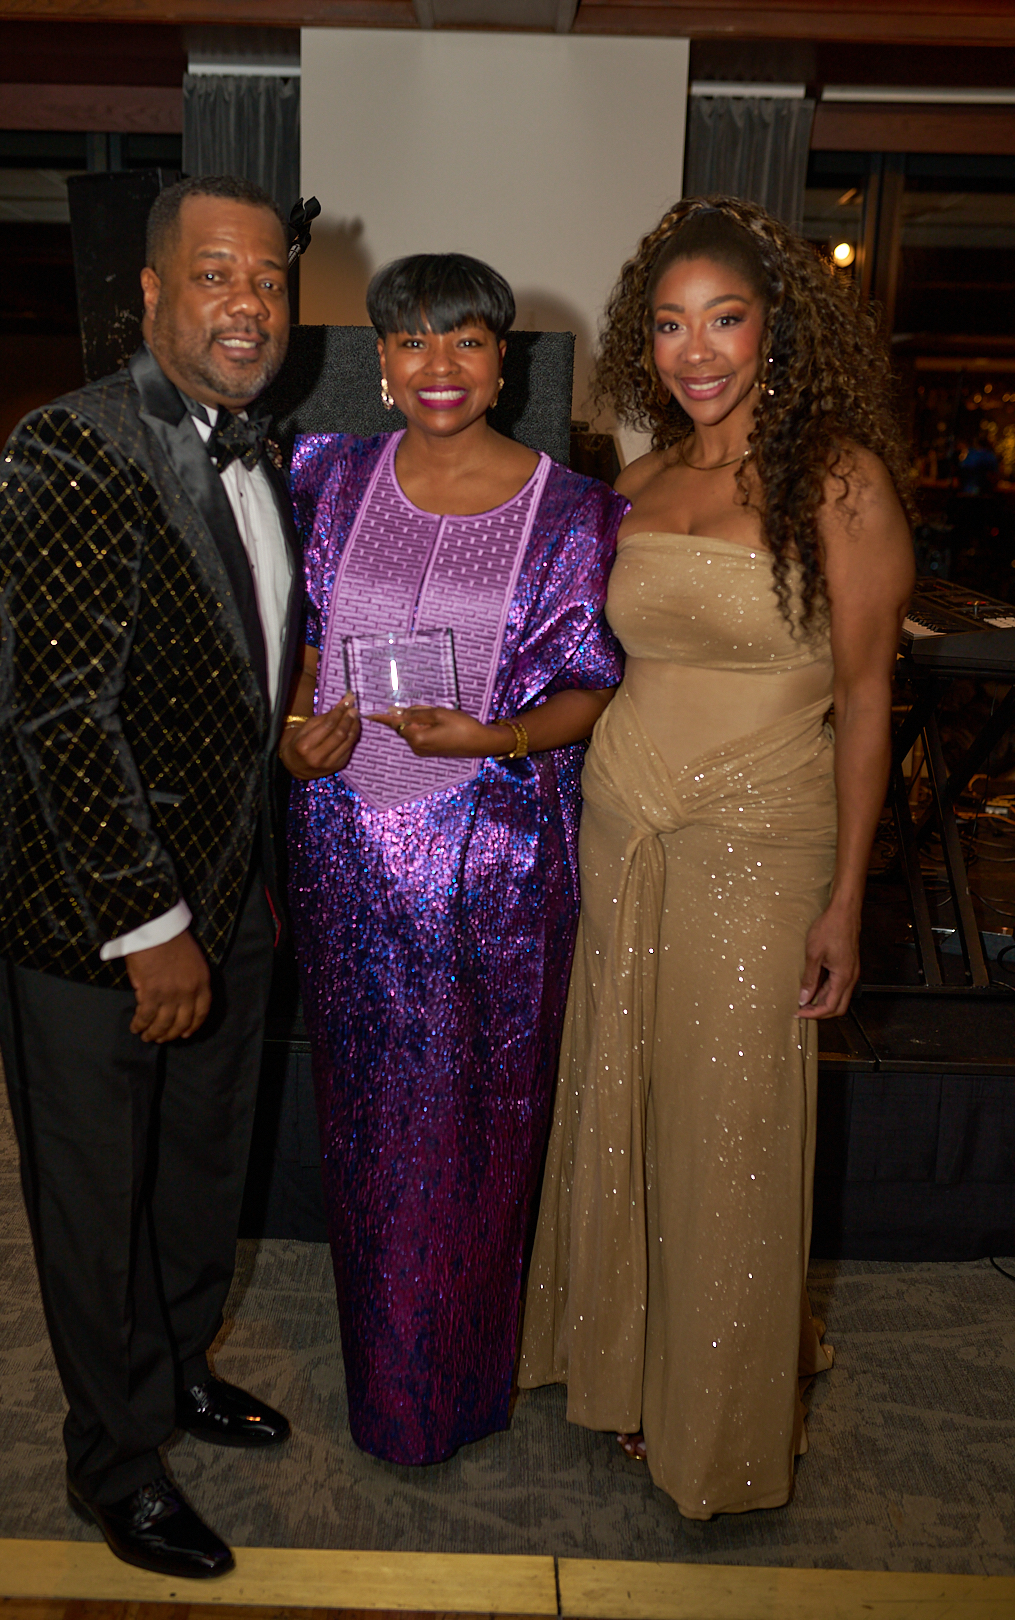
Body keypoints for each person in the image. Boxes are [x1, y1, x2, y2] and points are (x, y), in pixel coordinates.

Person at [519, 196, 916, 1519]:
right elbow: (589, 660)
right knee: (625, 1087)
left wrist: (847, 897)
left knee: (729, 1119)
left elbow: (867, 698)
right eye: (671, 324)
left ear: (774, 330)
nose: (696, 351)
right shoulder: (636, 484)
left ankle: (716, 1412)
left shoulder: (842, 485)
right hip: (624, 819)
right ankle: (625, 1363)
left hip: (761, 837)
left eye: (725, 320)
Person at [0, 175, 303, 1578]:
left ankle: (172, 1374)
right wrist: (150, 925)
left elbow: (215, 668)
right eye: (217, 275)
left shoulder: (263, 447)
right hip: (93, 916)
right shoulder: (73, 445)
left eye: (270, 278)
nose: (249, 303)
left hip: (229, 890)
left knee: (200, 1170)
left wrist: (291, 726)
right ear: (153, 293)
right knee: (98, 1199)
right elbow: (61, 716)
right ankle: (112, 1460)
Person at [280, 253, 627, 1466]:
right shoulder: (326, 476)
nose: (440, 364)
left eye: (467, 340)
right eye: (414, 340)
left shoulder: (572, 509)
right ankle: (385, 1381)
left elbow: (590, 685)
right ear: (380, 363)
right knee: (366, 1124)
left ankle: (460, 1385)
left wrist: (495, 738)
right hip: (343, 851)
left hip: (494, 865)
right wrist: (293, 734)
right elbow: (298, 647)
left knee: (477, 1125)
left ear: (502, 363)